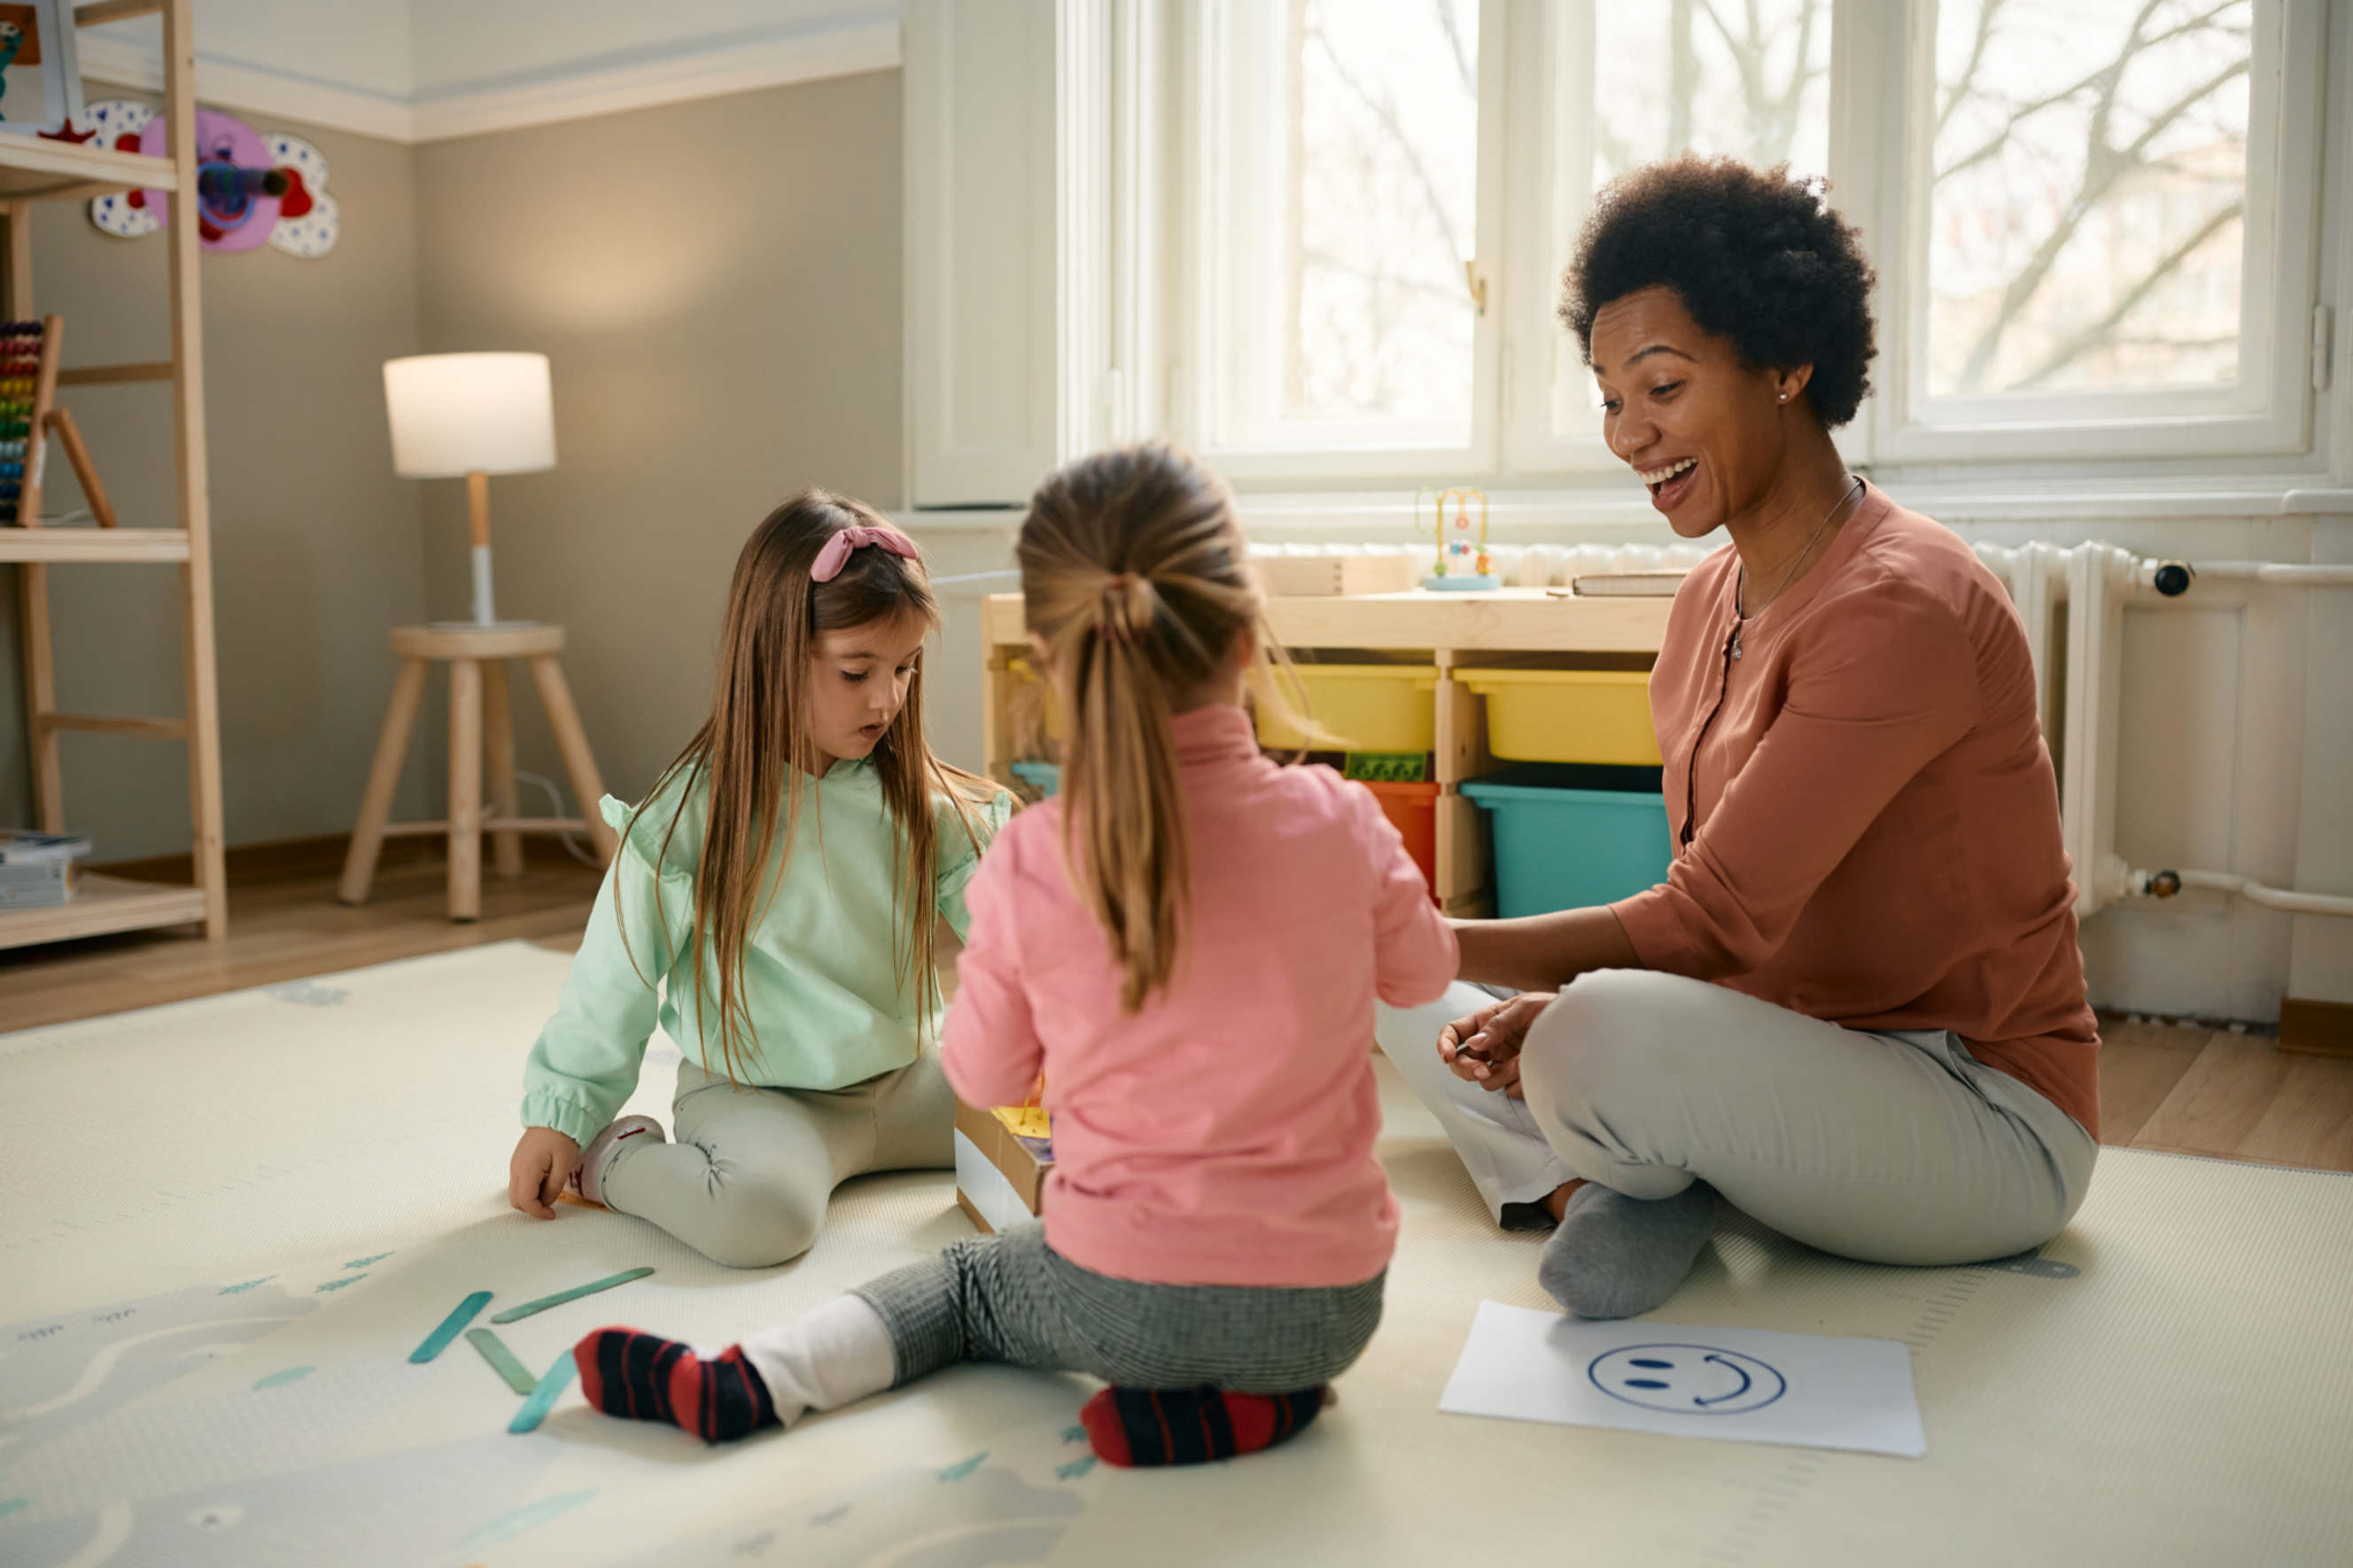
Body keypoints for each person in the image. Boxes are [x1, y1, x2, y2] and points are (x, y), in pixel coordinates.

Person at [569, 443, 1456, 1466]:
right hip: (1333, 1312)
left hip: (1123, 1303)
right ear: (1248, 635)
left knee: (964, 1287)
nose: (887, 696)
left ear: (1053, 656)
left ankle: (752, 1384)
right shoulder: (1340, 818)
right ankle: (1259, 1405)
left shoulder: (1034, 855)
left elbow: (989, 1073)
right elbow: (1425, 975)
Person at [1378, 155, 2100, 1321]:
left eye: (1661, 386)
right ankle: (1591, 1179)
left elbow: (1713, 920)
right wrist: (1403, 950)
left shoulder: (1904, 602)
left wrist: (1441, 947)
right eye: (1611, 398)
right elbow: (1714, 922)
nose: (1629, 434)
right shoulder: (1704, 602)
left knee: (1538, 1009)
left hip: (1976, 1112)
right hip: (1774, 1055)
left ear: (1785, 362)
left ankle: (1634, 1164)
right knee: (1398, 975)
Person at [505, 491, 1011, 1268]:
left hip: (909, 1082)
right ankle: (615, 1163)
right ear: (774, 656)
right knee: (761, 1220)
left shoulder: (921, 800)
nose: (888, 699)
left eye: (906, 669)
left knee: (1098, 1123)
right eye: (856, 671)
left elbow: (1022, 943)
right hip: (761, 1098)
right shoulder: (691, 816)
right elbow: (615, 980)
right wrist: (562, 1115)